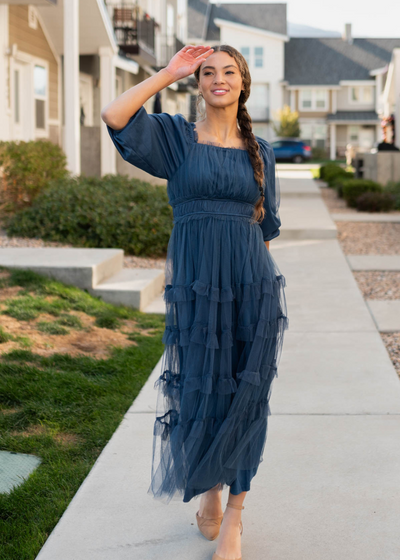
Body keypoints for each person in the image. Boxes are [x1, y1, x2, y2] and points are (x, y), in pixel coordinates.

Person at [101, 44, 289, 560]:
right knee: (203, 390)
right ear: (199, 83)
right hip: (198, 289)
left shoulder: (262, 153)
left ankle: (236, 514)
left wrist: (265, 293)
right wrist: (169, 72)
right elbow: (115, 115)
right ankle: (209, 484)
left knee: (247, 397)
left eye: (229, 71)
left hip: (252, 285)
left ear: (243, 83)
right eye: (208, 72)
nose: (218, 79)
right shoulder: (176, 138)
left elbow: (264, 232)